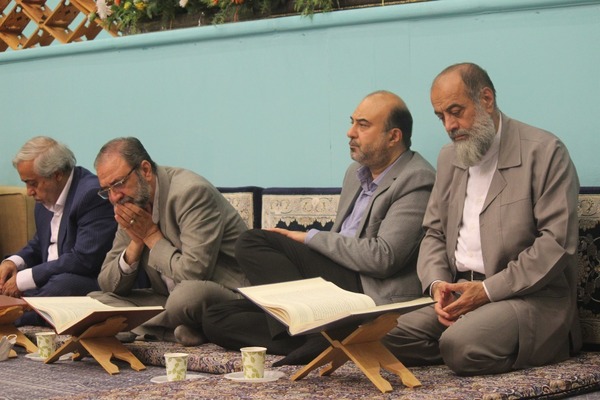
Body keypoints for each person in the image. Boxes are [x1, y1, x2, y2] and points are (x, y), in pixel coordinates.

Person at [203, 90, 436, 365]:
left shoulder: (416, 178)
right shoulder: (355, 174)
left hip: (367, 288)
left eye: (363, 125)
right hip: (337, 279)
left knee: (251, 242)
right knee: (215, 317)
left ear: (394, 136)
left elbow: (383, 257)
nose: (350, 132)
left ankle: (318, 333)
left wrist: (310, 238)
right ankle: (321, 336)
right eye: (352, 122)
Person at [383, 62, 582, 376]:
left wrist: (488, 291)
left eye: (456, 111)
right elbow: (434, 233)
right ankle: (467, 345)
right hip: (461, 292)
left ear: (486, 99)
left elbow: (556, 244)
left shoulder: (545, 152)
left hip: (529, 298)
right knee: (380, 336)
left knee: (459, 344)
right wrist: (437, 285)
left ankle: (466, 346)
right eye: (441, 117)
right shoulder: (449, 157)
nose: (449, 125)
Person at [90, 137, 248, 346]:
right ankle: (180, 331)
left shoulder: (191, 193)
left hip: (226, 294)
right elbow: (107, 284)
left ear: (145, 170)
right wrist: (136, 243)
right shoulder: (131, 202)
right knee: (95, 302)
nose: (114, 197)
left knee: (186, 296)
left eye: (118, 184)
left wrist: (150, 236)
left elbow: (193, 273)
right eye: (106, 190)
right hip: (167, 298)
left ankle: (142, 329)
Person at [0, 136, 117, 326]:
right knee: (11, 282)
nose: (29, 191)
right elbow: (39, 244)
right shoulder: (46, 197)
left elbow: (84, 260)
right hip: (51, 278)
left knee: (62, 285)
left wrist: (25, 279)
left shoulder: (91, 194)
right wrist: (13, 262)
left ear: (57, 175)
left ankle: (14, 318)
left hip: (89, 281)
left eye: (33, 183)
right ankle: (19, 310)